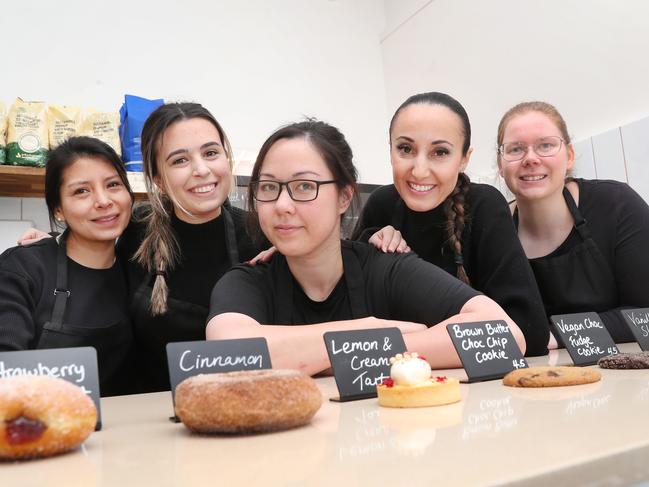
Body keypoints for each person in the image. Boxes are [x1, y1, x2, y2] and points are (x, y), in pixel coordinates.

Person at [206, 120, 525, 375]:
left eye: (305, 186)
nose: (282, 204)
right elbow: (229, 353)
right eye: (269, 187)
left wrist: (357, 350)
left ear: (344, 197)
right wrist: (369, 331)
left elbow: (505, 335)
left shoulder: (384, 268)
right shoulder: (247, 281)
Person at [352, 92, 549, 356]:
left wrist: (406, 342)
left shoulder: (484, 206)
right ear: (390, 150)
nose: (419, 169)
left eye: (440, 152)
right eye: (405, 149)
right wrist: (370, 246)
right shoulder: (380, 205)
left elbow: (530, 332)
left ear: (464, 158)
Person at [116, 102, 263, 392]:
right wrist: (47, 248)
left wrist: (379, 233)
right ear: (158, 178)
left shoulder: (260, 232)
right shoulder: (136, 231)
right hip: (155, 418)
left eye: (210, 153)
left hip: (248, 404)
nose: (201, 170)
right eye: (180, 160)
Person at [497, 101, 649, 343]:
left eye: (545, 145)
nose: (531, 158)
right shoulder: (493, 230)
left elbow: (645, 316)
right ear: (500, 165)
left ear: (569, 156)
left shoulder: (617, 205)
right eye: (516, 149)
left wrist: (554, 336)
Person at [0, 136, 135, 396]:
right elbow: (5, 371)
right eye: (81, 191)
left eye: (113, 185)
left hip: (126, 429)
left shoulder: (138, 270)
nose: (104, 200)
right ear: (58, 209)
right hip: (41, 427)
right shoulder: (21, 269)